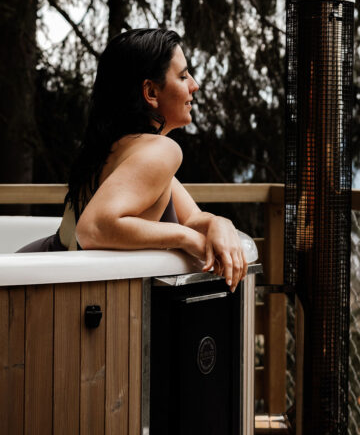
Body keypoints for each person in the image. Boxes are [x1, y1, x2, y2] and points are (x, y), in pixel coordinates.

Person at [18, 28, 248, 291]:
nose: (194, 85)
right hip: (42, 286)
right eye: (183, 76)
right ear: (151, 92)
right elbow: (93, 229)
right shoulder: (160, 150)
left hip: (32, 274)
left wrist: (220, 223)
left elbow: (192, 218)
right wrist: (186, 238)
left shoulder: (121, 145)